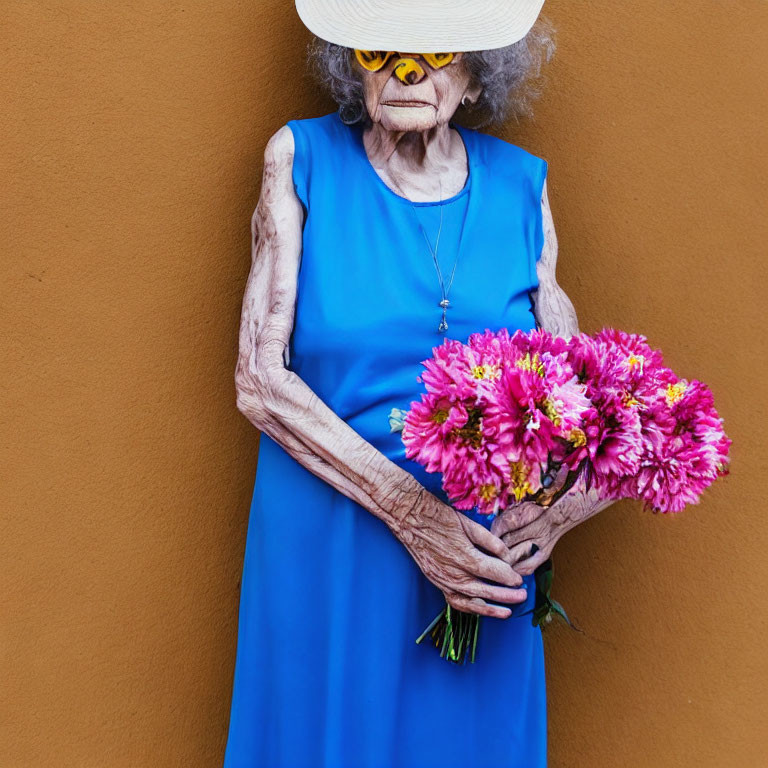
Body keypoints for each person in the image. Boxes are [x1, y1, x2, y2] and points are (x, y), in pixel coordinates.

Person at [225, 1, 610, 765]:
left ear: (477, 77)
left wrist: (557, 513)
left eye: (438, 54)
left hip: (473, 559)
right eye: (384, 51)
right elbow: (260, 380)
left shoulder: (520, 188)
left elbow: (584, 397)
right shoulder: (301, 159)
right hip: (333, 528)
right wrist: (410, 512)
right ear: (351, 64)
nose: (409, 72)